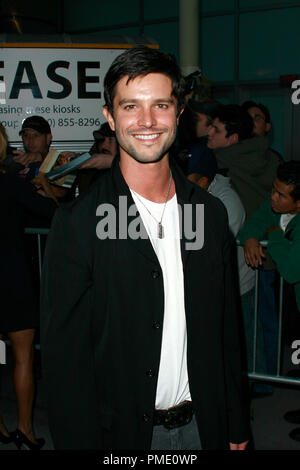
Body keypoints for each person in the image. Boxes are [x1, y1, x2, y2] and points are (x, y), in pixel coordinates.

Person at [40, 46, 249, 450]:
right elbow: (65, 364)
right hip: (121, 438)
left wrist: (235, 423)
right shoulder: (80, 223)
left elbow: (225, 333)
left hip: (204, 428)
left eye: (161, 105)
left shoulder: (208, 214)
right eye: (131, 106)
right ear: (110, 117)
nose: (148, 121)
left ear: (179, 114)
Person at [0, 125, 57, 450]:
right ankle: (25, 429)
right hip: (11, 279)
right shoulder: (10, 183)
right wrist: (46, 188)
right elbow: (52, 213)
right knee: (22, 358)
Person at [238, 161, 300, 439]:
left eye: (280, 195)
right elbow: (251, 225)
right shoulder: (276, 206)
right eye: (273, 191)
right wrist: (252, 238)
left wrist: (273, 236)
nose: (272, 197)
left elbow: (290, 268)